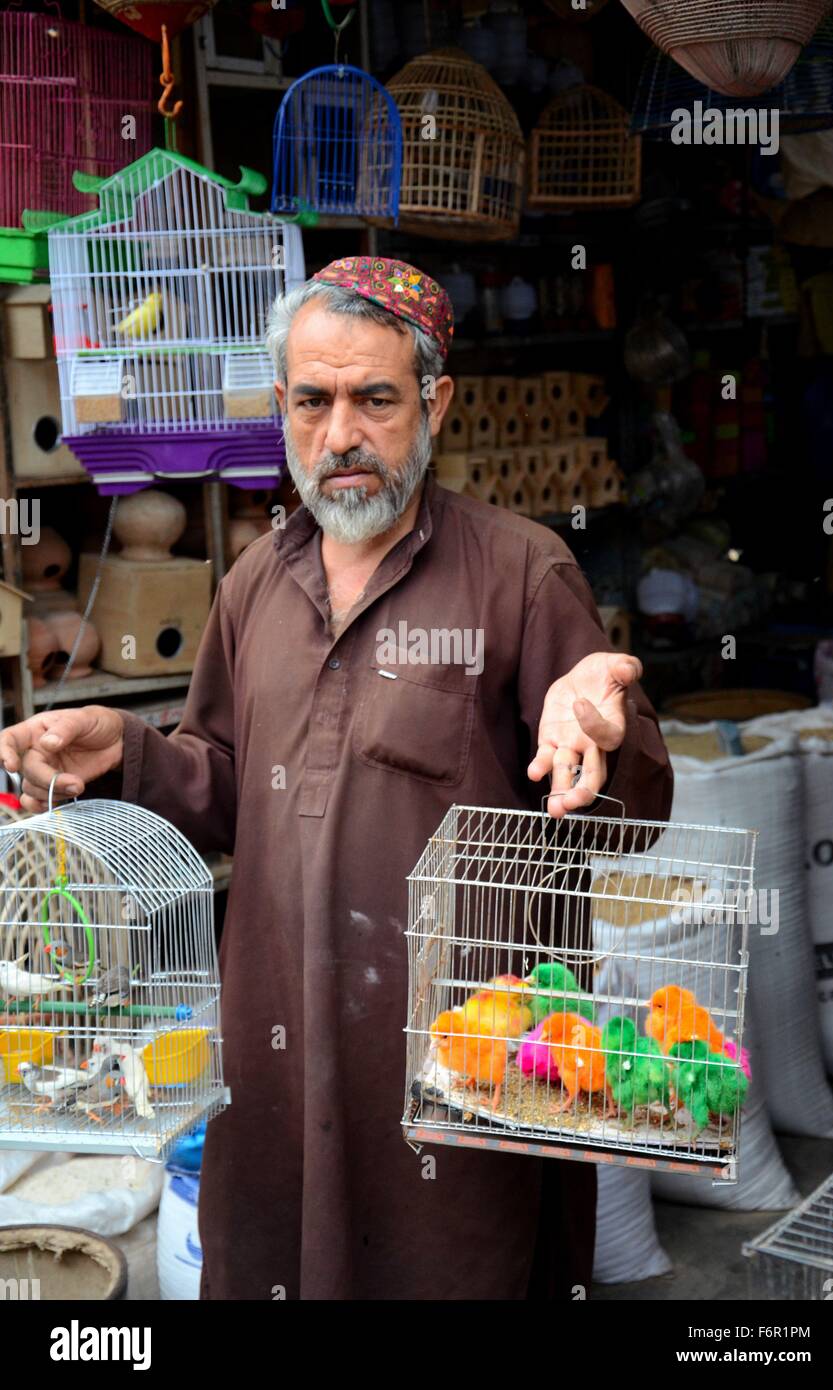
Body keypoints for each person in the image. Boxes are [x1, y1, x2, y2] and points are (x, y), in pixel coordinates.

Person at [0, 257, 673, 1300]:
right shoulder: (256, 581)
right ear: (281, 405)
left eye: (376, 399)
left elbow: (625, 821)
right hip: (278, 1059)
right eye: (311, 401)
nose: (340, 436)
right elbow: (223, 783)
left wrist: (604, 722)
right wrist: (125, 752)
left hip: (460, 1071)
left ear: (436, 402)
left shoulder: (521, 573)